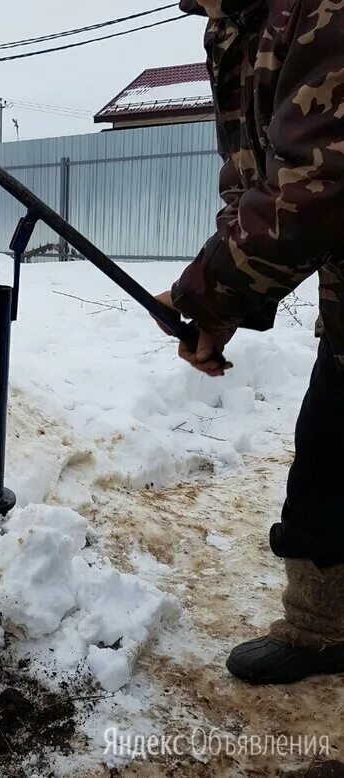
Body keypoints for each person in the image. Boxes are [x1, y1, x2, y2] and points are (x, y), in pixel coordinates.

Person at [156, 0, 344, 684]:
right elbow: (255, 183)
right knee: (329, 456)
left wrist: (210, 292)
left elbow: (315, 183)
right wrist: (212, 303)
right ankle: (322, 629)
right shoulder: (242, 24)